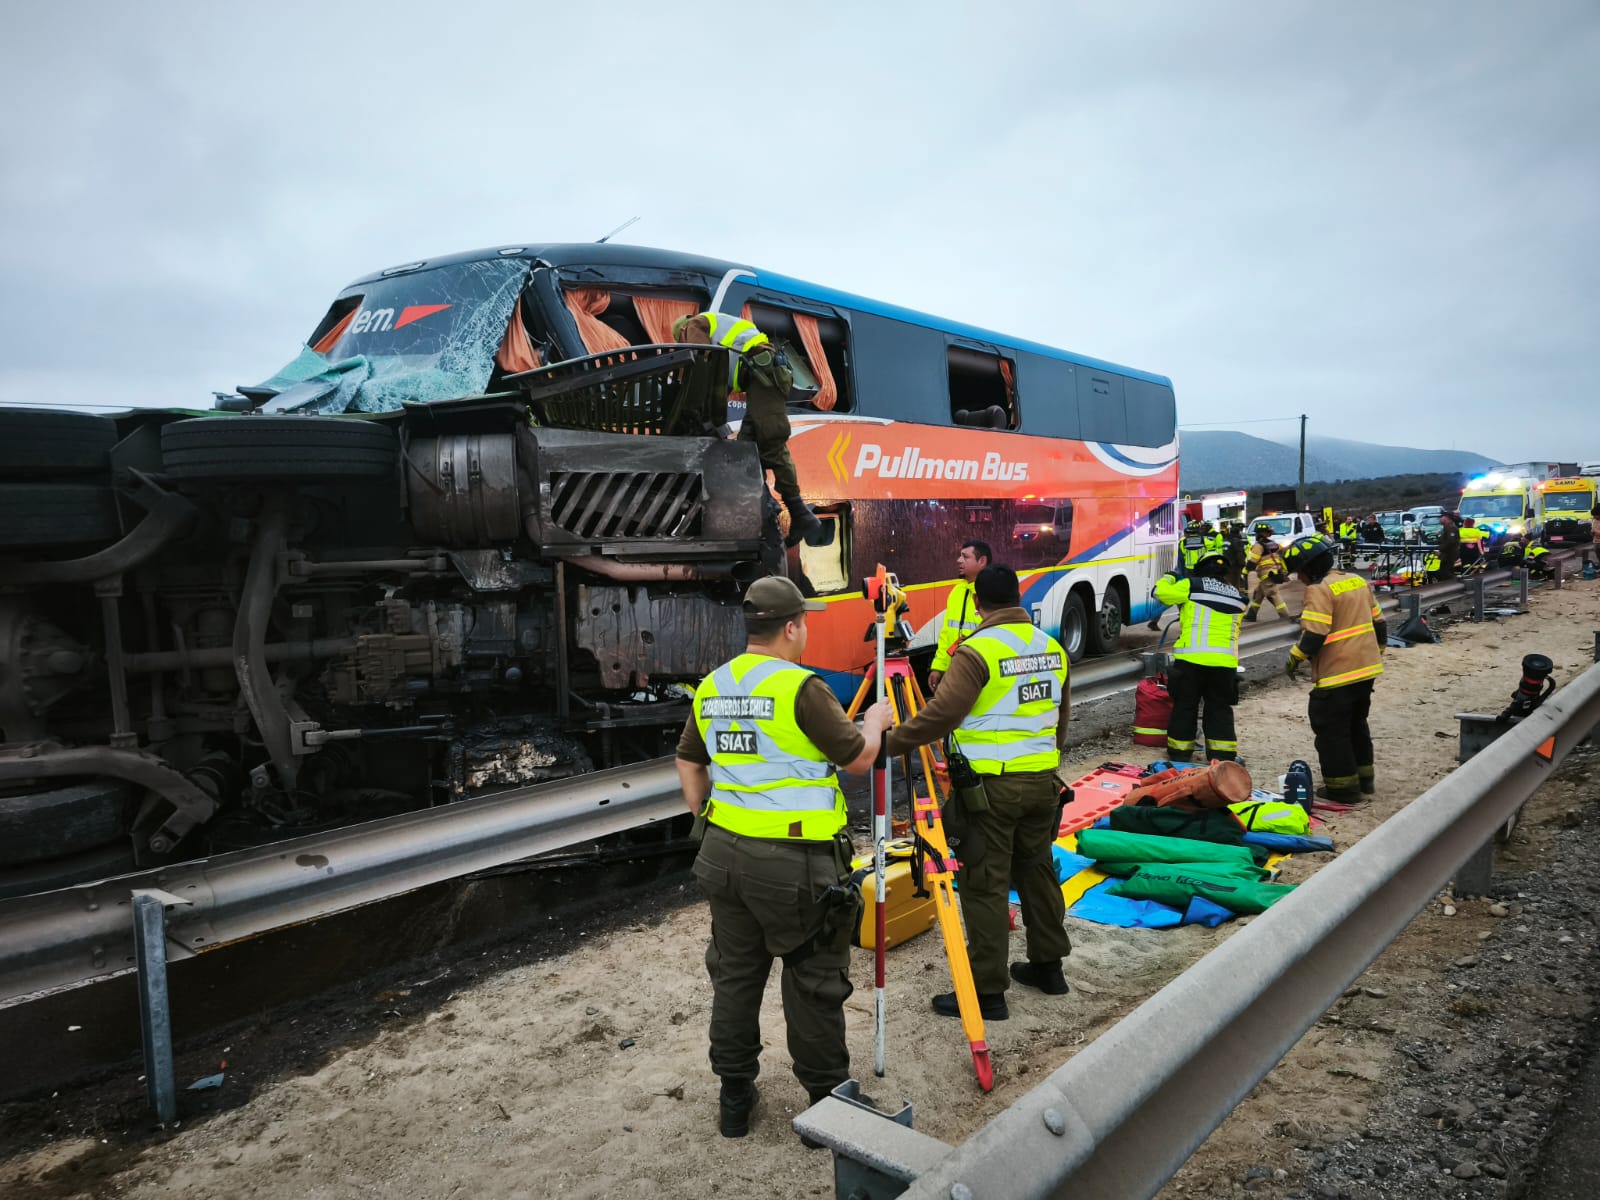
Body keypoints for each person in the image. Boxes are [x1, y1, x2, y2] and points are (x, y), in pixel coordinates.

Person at [675, 576, 893, 1141]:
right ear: (792, 627)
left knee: (736, 975)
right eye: (806, 622)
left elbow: (688, 761)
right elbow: (858, 759)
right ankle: (827, 1105)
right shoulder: (801, 687)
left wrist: (708, 819)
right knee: (813, 979)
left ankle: (734, 1099)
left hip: (723, 854)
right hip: (793, 864)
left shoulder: (714, 685)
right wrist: (874, 721)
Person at [880, 565, 1073, 1020]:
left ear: (978, 603)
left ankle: (987, 992)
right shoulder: (1051, 647)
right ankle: (1049, 969)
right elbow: (1061, 718)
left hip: (991, 791)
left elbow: (941, 716)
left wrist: (886, 743)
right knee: (1037, 873)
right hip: (1042, 782)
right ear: (1017, 598)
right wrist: (1042, 763)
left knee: (985, 885)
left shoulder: (977, 651)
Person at [673, 310, 823, 547]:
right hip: (760, 376)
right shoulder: (716, 328)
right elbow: (715, 377)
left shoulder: (694, 324)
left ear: (682, 331)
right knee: (746, 451)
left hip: (763, 373)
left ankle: (800, 513)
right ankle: (767, 507)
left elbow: (702, 361)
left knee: (772, 441)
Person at [1283, 534, 1387, 802]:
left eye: (1299, 572)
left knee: (1331, 731)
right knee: (1356, 725)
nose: (1299, 578)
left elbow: (1315, 634)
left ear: (1309, 567)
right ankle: (1365, 781)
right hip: (1366, 669)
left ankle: (1343, 789)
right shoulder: (1356, 580)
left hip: (1337, 673)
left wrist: (1294, 657)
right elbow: (1379, 623)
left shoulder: (1319, 589)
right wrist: (1378, 651)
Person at [1152, 549, 1247, 763]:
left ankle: (1180, 754)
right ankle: (1222, 757)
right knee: (1219, 709)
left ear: (1200, 569)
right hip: (1224, 664)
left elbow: (1159, 593)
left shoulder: (1191, 585)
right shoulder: (1239, 597)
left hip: (1191, 661)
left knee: (1185, 706)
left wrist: (1170, 576)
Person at [928, 539, 991, 693]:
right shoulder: (957, 592)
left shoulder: (991, 593)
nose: (959, 560)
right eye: (960, 556)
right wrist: (938, 667)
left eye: (965, 557)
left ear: (982, 561)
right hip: (956, 673)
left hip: (981, 675)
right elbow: (946, 635)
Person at [1244, 523, 1291, 622]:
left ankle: (1285, 615)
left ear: (1260, 533)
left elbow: (1253, 560)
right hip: (1274, 572)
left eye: (1257, 533)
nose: (1256, 535)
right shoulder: (1273, 544)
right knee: (1258, 594)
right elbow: (1280, 557)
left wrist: (1246, 570)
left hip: (1267, 574)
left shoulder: (1258, 545)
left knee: (1272, 594)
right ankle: (1251, 615)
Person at [1222, 521, 1249, 592]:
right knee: (1235, 583)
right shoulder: (1237, 541)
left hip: (1226, 564)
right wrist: (1243, 564)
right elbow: (1239, 554)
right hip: (1235, 565)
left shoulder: (1225, 539)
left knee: (1228, 582)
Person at [1434, 511, 1460, 580]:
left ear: (1446, 518)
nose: (1440, 519)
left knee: (1445, 572)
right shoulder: (1447, 527)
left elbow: (1451, 541)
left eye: (1441, 517)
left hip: (1449, 554)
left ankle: (1454, 583)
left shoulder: (1451, 528)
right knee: (1444, 571)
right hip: (1447, 554)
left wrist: (1440, 549)